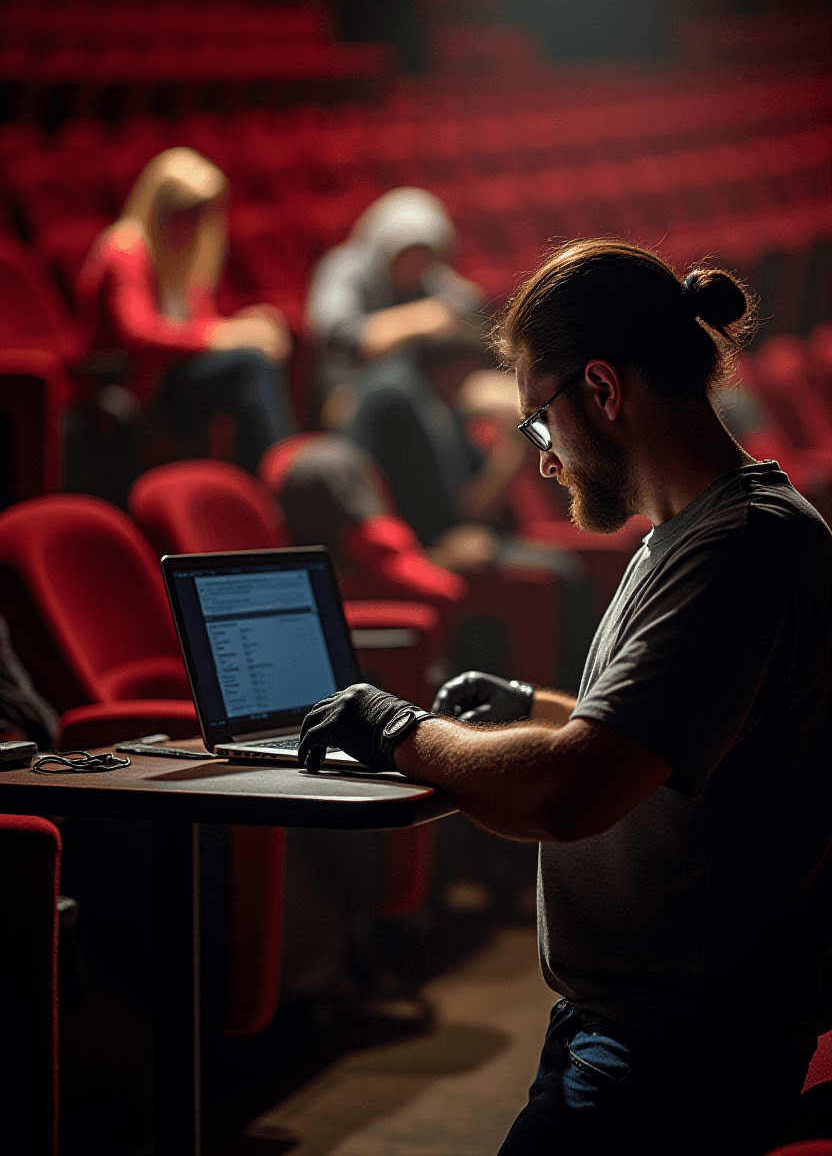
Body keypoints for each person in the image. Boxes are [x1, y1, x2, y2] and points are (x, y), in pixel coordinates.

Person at [295, 238, 832, 1155]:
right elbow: (652, 739)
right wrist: (528, 709)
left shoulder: (738, 550)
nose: (542, 461)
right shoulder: (691, 533)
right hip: (650, 1034)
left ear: (603, 390)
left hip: (679, 1058)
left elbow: (573, 789)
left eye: (538, 424)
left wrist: (398, 730)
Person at [76, 147, 294, 480]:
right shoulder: (126, 249)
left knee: (254, 351)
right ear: (157, 206)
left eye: (201, 214)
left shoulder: (185, 255)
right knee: (250, 363)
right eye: (183, 212)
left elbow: (198, 325)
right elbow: (139, 334)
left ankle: (259, 480)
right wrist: (226, 335)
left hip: (172, 381)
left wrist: (243, 327)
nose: (192, 225)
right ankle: (280, 476)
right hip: (134, 390)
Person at [305, 186, 484, 423]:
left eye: (426, 256)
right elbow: (337, 334)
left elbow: (469, 303)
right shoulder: (346, 267)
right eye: (410, 254)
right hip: (348, 393)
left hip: (418, 389)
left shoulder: (427, 276)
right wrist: (419, 320)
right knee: (398, 385)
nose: (418, 264)